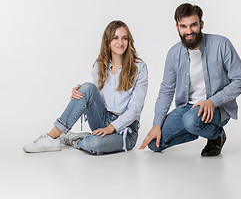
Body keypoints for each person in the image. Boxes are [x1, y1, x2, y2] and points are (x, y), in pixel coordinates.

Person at [23, 20, 148, 155]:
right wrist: (79, 94)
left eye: (125, 38)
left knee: (95, 144)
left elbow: (135, 110)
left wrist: (111, 128)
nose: (121, 43)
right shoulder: (100, 65)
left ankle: (78, 139)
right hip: (102, 119)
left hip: (125, 131)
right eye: (115, 38)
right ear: (108, 41)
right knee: (86, 88)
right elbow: (92, 96)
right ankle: (52, 137)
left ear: (129, 41)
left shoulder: (139, 67)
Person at [140, 3, 241, 157]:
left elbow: (240, 80)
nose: (189, 31)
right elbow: (166, 89)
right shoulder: (173, 53)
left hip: (216, 107)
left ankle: (216, 135)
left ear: (201, 24)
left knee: (191, 120)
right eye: (183, 26)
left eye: (193, 25)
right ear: (177, 27)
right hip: (187, 108)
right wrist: (156, 124)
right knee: (155, 144)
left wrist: (212, 101)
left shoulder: (221, 44)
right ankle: (194, 128)